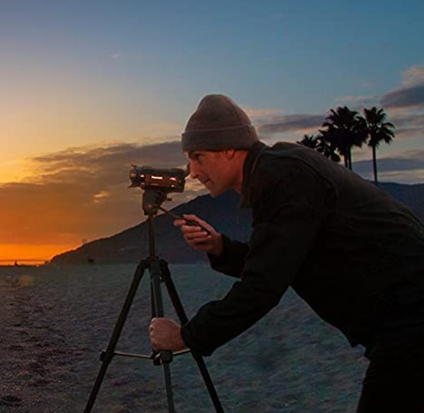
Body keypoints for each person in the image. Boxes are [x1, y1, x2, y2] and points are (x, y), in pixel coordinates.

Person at [147, 94, 424, 412]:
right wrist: (220, 247)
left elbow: (263, 287)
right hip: (401, 321)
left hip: (410, 319)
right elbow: (280, 262)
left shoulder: (283, 176)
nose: (192, 171)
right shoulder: (278, 170)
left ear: (228, 147)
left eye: (198, 156)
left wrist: (186, 336)